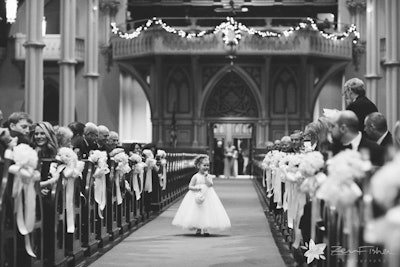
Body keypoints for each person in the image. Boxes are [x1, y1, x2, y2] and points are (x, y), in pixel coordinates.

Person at [172, 155, 231, 236]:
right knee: (198, 211)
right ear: (198, 166)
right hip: (196, 195)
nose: (206, 167)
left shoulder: (208, 176)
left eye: (207, 165)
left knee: (206, 210)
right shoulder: (195, 176)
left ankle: (205, 229)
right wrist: (196, 189)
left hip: (207, 195)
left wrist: (206, 177)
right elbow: (190, 186)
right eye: (204, 165)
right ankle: (198, 229)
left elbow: (210, 184)